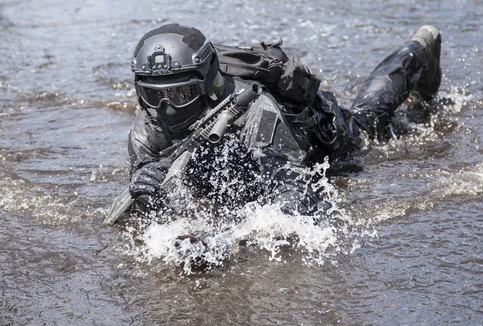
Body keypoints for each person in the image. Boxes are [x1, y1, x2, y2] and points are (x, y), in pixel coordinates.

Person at [108, 23, 442, 225]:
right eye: (153, 96)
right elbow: (146, 209)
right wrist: (148, 194)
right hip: (245, 164)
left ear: (207, 83)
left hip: (322, 143)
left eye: (181, 94)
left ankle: (418, 49)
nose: (166, 108)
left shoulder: (254, 110)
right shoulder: (146, 130)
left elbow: (292, 194)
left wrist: (232, 237)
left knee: (370, 122)